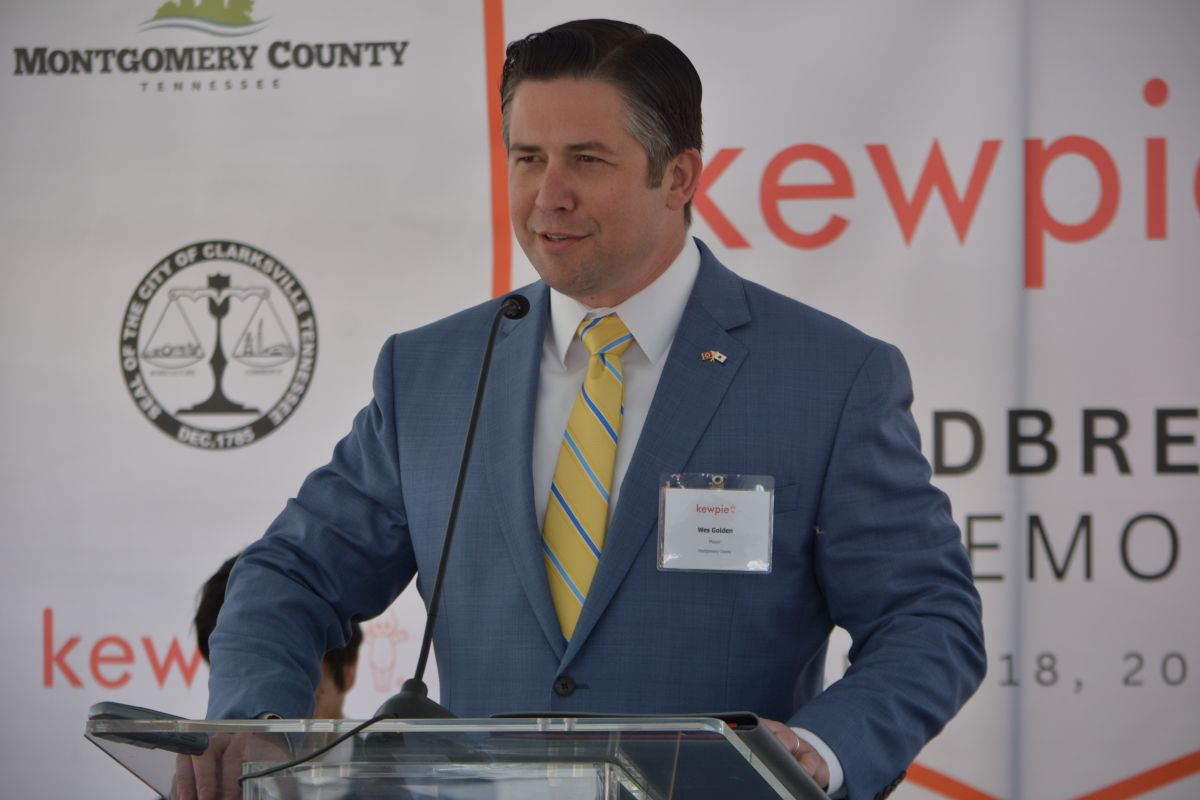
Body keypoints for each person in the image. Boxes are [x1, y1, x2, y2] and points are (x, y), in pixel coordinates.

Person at [207, 19, 985, 799]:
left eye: (586, 159)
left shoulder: (829, 377)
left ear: (678, 178)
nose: (550, 195)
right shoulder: (434, 372)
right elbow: (293, 570)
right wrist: (253, 720)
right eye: (527, 158)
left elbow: (927, 618)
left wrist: (823, 748)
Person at [195, 554, 363, 718]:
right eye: (234, 691)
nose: (256, 732)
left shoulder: (383, 745)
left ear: (349, 670)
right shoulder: (201, 742)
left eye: (296, 700)